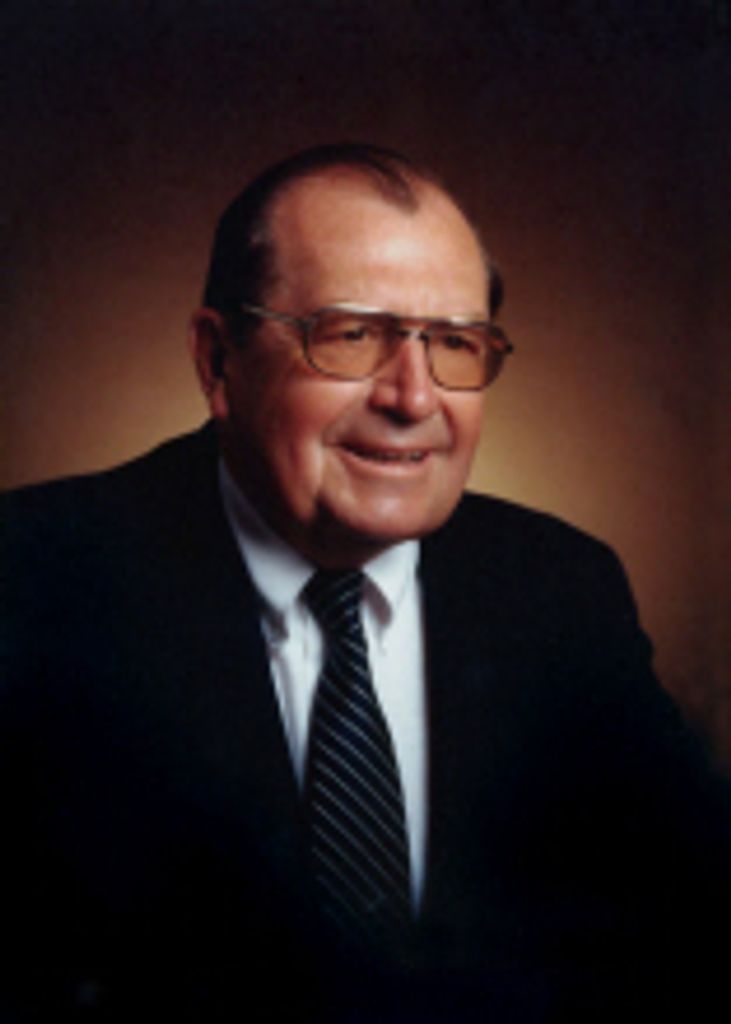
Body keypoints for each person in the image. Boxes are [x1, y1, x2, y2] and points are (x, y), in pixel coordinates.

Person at [2, 144, 729, 1023]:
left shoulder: (561, 590)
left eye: (454, 342)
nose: (413, 398)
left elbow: (687, 928)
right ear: (216, 359)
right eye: (351, 335)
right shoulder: (34, 576)